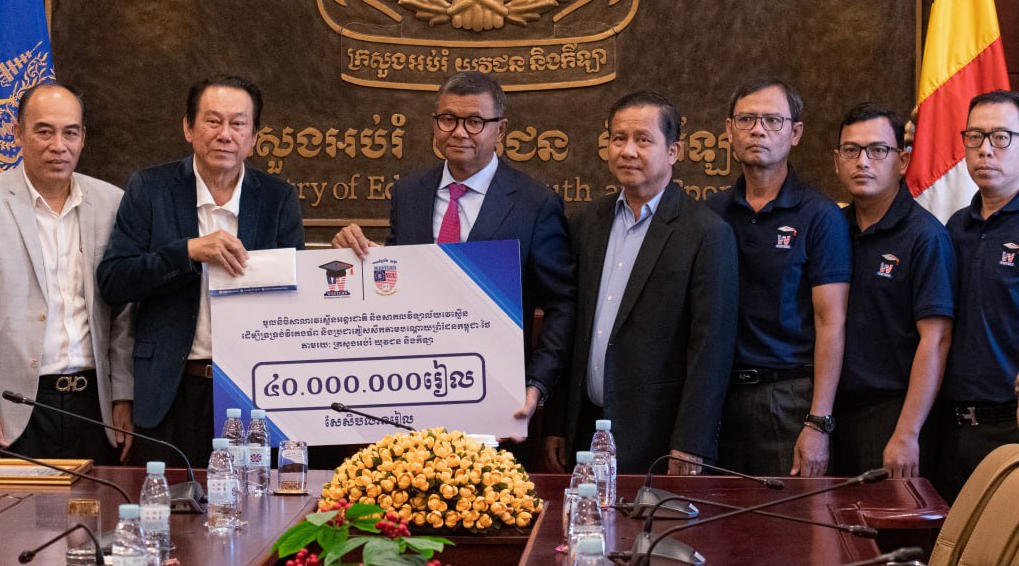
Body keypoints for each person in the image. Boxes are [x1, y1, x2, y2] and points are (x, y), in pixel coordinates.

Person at [332, 71, 576, 432]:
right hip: (411, 391)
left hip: (496, 397)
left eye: (474, 121)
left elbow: (561, 305)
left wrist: (536, 384)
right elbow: (398, 282)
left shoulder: (535, 203)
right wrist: (360, 256)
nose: (459, 132)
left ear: (500, 130)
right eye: (448, 119)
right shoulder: (408, 194)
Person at [98, 75, 304, 468]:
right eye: (213, 121)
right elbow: (114, 281)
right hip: (169, 390)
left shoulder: (278, 199)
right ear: (189, 128)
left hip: (250, 391)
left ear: (253, 138)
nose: (225, 134)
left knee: (251, 499)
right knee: (169, 499)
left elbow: (294, 296)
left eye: (238, 124)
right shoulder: (150, 189)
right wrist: (188, 252)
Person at [545, 91, 738, 474]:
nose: (627, 151)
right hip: (585, 428)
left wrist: (691, 442)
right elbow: (571, 328)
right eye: (618, 138)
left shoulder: (706, 233)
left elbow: (711, 349)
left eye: (643, 140)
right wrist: (557, 423)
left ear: (674, 151)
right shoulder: (586, 224)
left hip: (659, 438)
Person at [0, 83, 133, 462]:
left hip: (94, 407)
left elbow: (124, 314)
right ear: (18, 133)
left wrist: (123, 396)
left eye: (70, 133)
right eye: (44, 131)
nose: (58, 145)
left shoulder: (112, 202)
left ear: (83, 137)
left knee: (98, 502)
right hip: (12, 409)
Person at [707, 78, 850, 477]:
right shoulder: (712, 213)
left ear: (795, 132)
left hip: (789, 398)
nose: (758, 130)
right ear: (729, 129)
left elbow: (831, 321)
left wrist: (818, 421)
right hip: (719, 396)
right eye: (746, 119)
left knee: (791, 513)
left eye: (772, 120)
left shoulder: (820, 215)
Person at [830, 103, 953, 479]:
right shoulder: (831, 228)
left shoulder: (925, 237)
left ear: (903, 161)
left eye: (877, 150)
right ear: (837, 161)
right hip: (832, 413)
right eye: (851, 150)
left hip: (892, 413)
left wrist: (907, 432)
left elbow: (936, 340)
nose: (862, 161)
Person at [938, 89, 1019, 499]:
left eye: (1001, 137)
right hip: (949, 428)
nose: (985, 149)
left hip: (1009, 427)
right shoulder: (954, 227)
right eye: (975, 137)